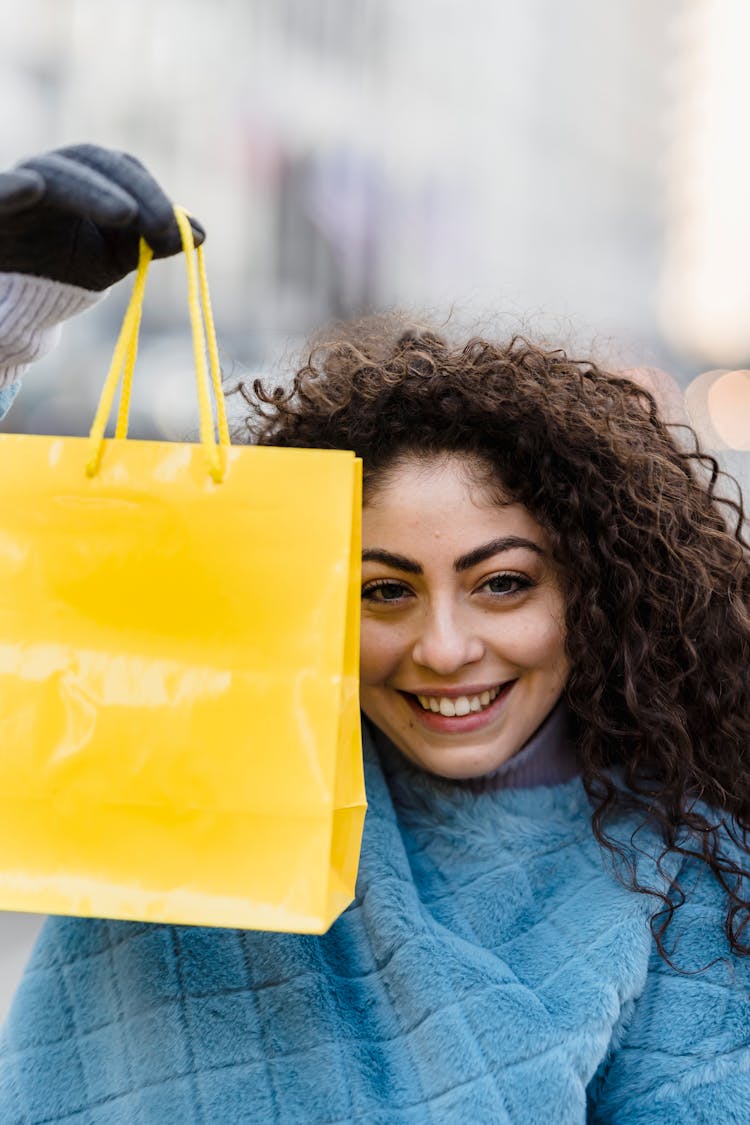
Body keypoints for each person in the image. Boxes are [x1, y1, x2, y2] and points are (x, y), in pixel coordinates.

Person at [0, 145, 747, 1125]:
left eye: (504, 583)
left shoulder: (686, 875)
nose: (444, 647)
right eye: (382, 593)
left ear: (590, 594)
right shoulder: (176, 765)